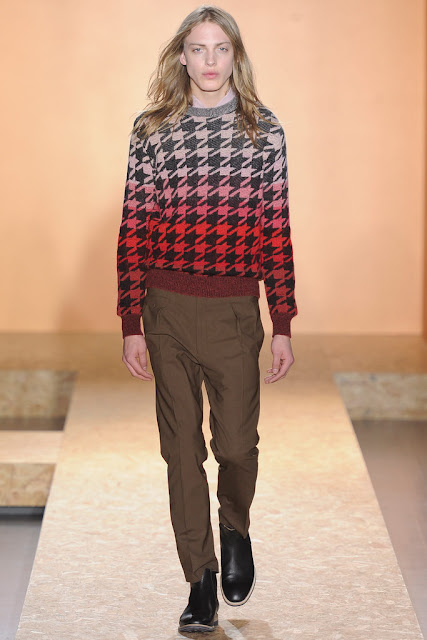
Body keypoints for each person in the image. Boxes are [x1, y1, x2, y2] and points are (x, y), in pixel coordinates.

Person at [116, 5, 298, 633]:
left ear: (236, 56)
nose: (210, 60)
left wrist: (282, 321)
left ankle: (235, 527)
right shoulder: (151, 130)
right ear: (182, 57)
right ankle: (199, 580)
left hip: (233, 311)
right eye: (198, 49)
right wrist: (131, 322)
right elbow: (134, 225)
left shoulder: (264, 132)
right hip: (165, 308)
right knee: (181, 451)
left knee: (237, 446)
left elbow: (276, 229)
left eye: (221, 48)